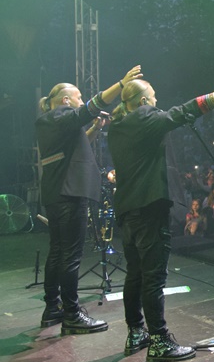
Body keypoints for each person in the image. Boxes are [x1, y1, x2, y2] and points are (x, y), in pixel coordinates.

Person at [108, 72, 214, 362]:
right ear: (144, 101)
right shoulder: (145, 118)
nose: (158, 101)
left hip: (127, 210)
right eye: (154, 97)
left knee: (135, 274)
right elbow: (185, 110)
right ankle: (159, 341)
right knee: (153, 278)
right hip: (149, 210)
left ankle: (136, 332)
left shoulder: (118, 126)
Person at [35, 65, 142, 333]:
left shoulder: (55, 123)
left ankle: (53, 308)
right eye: (79, 97)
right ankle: (72, 313)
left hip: (57, 192)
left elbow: (76, 143)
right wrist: (120, 84)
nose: (82, 101)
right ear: (66, 100)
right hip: (69, 192)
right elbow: (87, 108)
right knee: (70, 254)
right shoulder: (61, 114)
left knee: (58, 251)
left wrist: (94, 128)